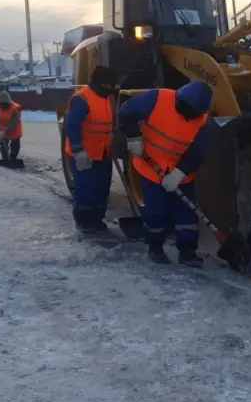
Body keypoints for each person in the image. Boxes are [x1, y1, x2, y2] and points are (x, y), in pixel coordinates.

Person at [118, 81, 213, 267]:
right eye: (188, 110)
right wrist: (133, 137)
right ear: (180, 100)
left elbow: (198, 151)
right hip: (151, 168)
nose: (190, 115)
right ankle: (155, 247)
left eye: (195, 112)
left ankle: (187, 251)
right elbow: (127, 111)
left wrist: (179, 173)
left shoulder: (202, 120)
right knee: (156, 211)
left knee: (186, 214)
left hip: (181, 174)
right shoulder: (157, 99)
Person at [65, 66, 118, 233]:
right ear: (98, 82)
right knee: (86, 190)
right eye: (107, 85)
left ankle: (97, 219)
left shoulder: (107, 97)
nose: (109, 88)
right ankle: (84, 222)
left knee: (102, 189)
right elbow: (72, 126)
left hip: (103, 153)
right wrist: (78, 150)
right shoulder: (81, 99)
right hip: (85, 154)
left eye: (111, 85)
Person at [0, 91, 23, 164]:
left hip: (14, 127)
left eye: (4, 105)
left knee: (15, 144)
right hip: (2, 125)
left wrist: (5, 131)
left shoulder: (16, 108)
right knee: (3, 144)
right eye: (1, 105)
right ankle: (5, 159)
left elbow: (14, 122)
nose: (2, 107)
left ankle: (13, 158)